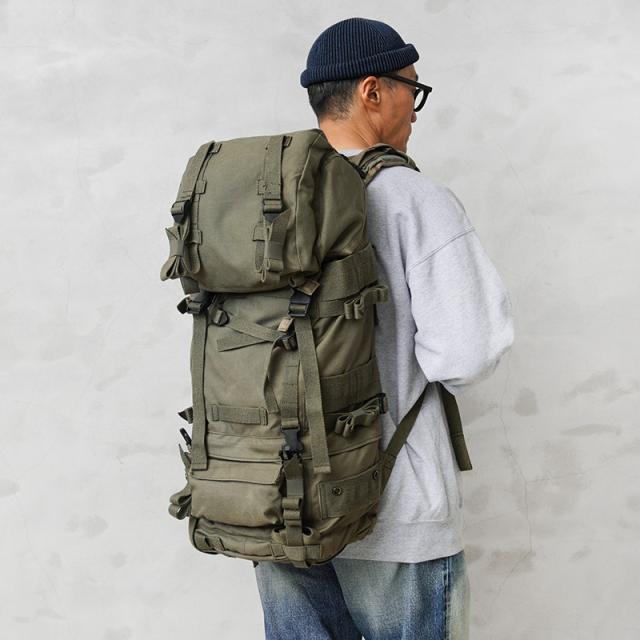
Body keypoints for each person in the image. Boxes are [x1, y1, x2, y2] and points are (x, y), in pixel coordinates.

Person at [253, 17, 514, 640]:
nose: (415, 111)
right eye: (411, 90)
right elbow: (467, 354)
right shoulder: (415, 199)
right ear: (373, 91)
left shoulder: (261, 205)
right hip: (396, 512)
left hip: (279, 502)